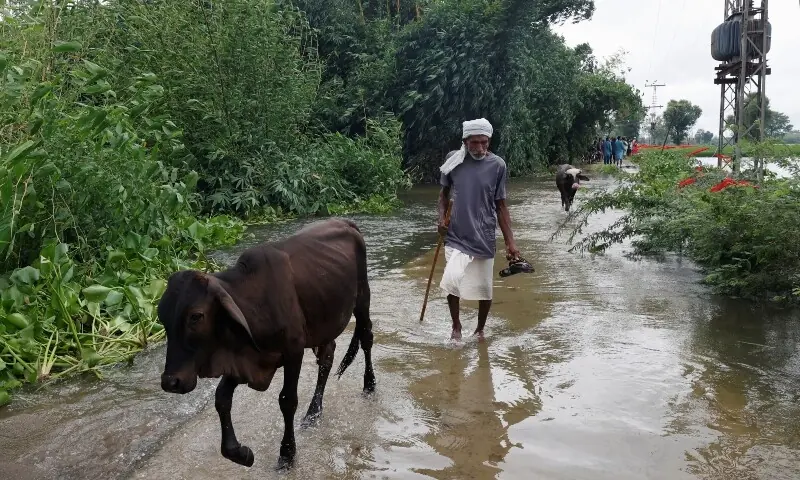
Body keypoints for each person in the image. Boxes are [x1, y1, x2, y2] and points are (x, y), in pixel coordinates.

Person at [437, 118, 519, 341]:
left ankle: (480, 329)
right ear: (465, 141)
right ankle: (456, 327)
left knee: (485, 288)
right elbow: (443, 196)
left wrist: (511, 242)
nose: (481, 148)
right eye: (475, 143)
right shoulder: (453, 161)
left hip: (483, 234)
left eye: (485, 142)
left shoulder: (498, 165)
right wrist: (441, 220)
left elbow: (501, 206)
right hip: (456, 234)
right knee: (452, 280)